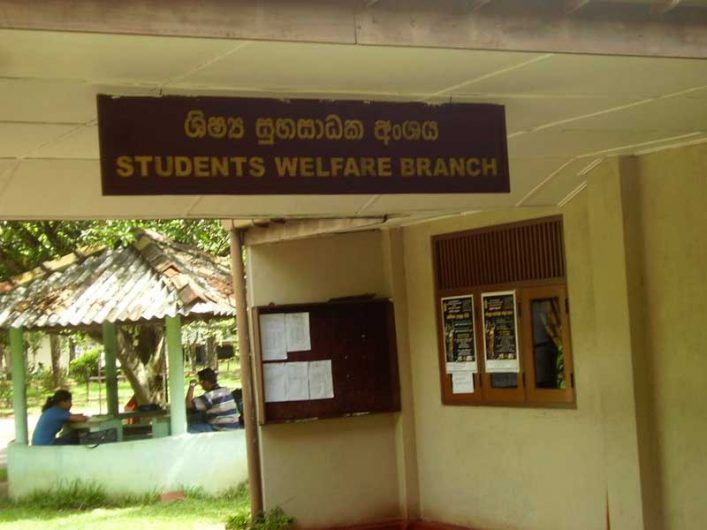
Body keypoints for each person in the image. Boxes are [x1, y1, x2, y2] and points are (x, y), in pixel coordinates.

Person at [185, 368, 240, 433]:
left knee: (187, 429)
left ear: (206, 382)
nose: (201, 385)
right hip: (234, 427)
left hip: (220, 429)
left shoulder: (210, 395)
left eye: (201, 382)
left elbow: (188, 404)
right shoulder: (226, 390)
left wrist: (192, 386)